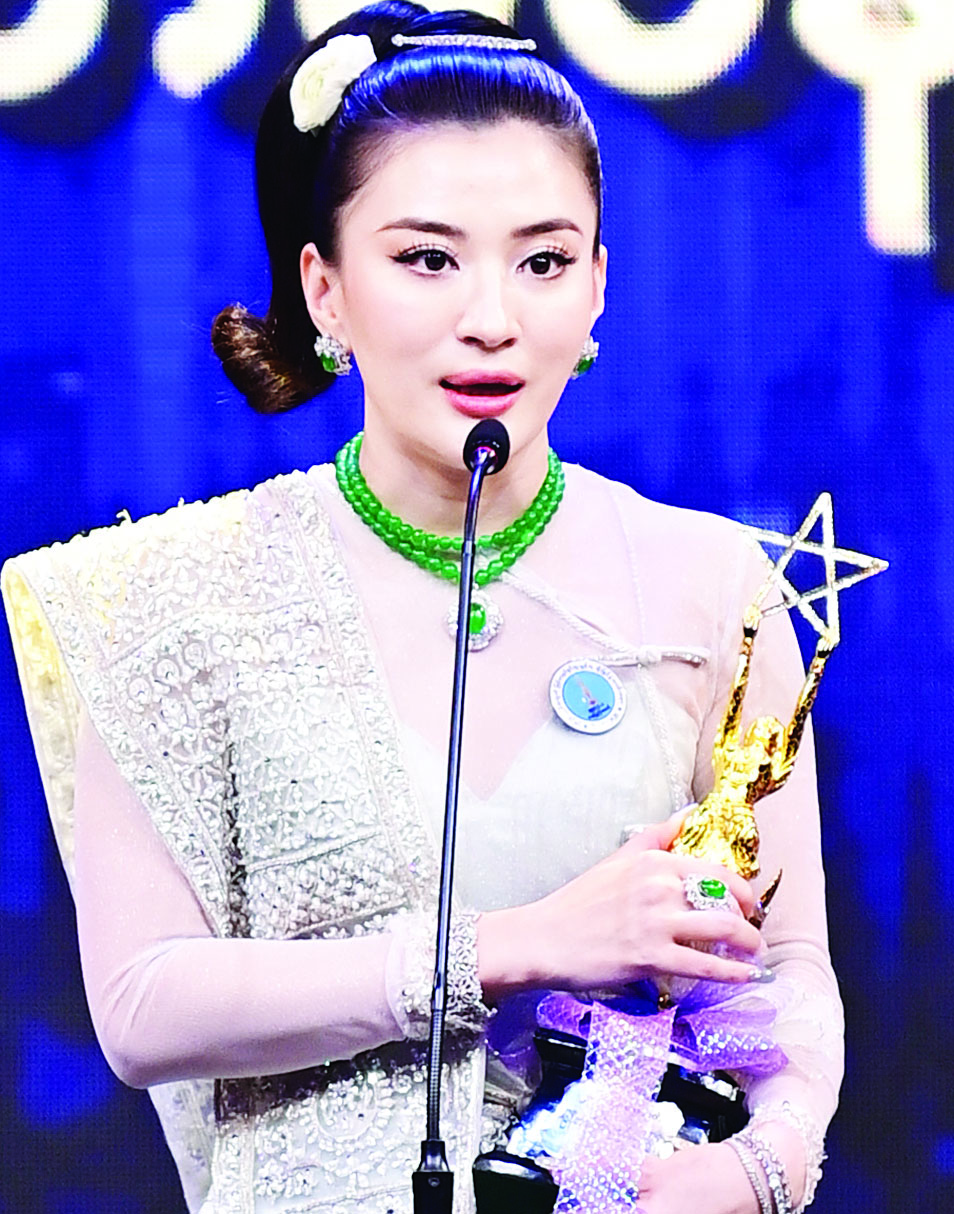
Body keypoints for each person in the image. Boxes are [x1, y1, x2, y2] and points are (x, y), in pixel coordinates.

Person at [1, 4, 842, 1211]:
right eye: (427, 259)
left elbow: (791, 965)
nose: (492, 316)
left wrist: (761, 1168)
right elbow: (141, 1005)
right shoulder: (171, 599)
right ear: (325, 289)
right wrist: (514, 943)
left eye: (543, 261)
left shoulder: (714, 586)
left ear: (598, 286)